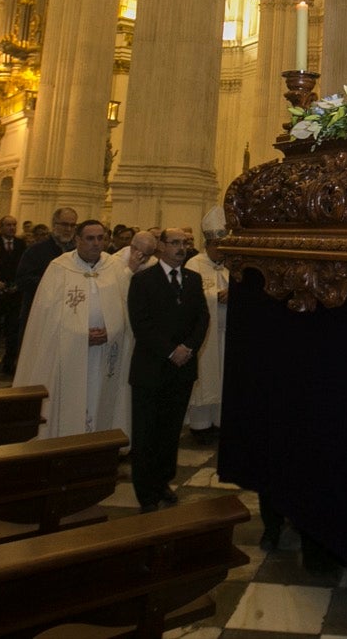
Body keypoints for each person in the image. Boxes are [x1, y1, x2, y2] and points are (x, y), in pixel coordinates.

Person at [13, 220, 132, 440]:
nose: (96, 244)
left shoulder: (114, 268)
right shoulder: (59, 268)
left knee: (101, 396)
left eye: (100, 238)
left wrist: (112, 330)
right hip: (69, 352)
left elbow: (126, 308)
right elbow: (47, 317)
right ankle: (65, 440)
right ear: (77, 240)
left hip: (107, 350)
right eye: (90, 238)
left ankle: (101, 440)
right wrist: (81, 335)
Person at [127, 227, 210, 512]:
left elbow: (202, 318)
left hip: (182, 369)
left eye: (185, 243)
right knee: (146, 433)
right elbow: (142, 324)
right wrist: (170, 350)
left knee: (170, 432)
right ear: (161, 246)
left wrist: (189, 347)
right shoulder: (143, 280)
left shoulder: (192, 278)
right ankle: (146, 492)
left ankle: (163, 481)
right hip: (151, 369)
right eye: (174, 243)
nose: (181, 247)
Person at [8, 206, 77, 374]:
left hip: (70, 316)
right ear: (54, 224)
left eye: (73, 225)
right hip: (39, 313)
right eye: (64, 224)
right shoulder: (36, 250)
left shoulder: (78, 252)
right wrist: (55, 283)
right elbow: (23, 280)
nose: (68, 229)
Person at [185, 208, 229, 444]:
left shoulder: (229, 265)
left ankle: (221, 420)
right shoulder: (194, 264)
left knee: (223, 378)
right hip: (205, 336)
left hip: (225, 334)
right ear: (209, 244)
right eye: (218, 246)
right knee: (205, 377)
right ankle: (200, 424)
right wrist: (215, 296)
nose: (221, 251)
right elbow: (192, 299)